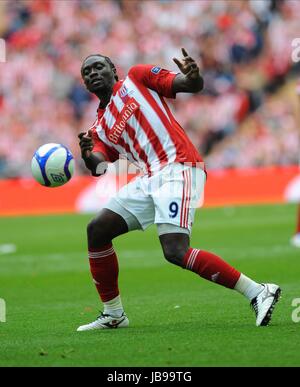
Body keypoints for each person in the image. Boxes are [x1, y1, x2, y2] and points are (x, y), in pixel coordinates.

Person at [77, 49, 281, 331]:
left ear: (113, 69)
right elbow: (98, 164)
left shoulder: (137, 77)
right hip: (149, 178)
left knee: (175, 250)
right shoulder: (99, 128)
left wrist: (194, 77)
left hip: (179, 167)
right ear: (85, 85)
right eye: (87, 72)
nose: (93, 73)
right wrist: (88, 154)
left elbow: (189, 85)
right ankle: (114, 315)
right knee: (97, 230)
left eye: (98, 67)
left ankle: (258, 291)